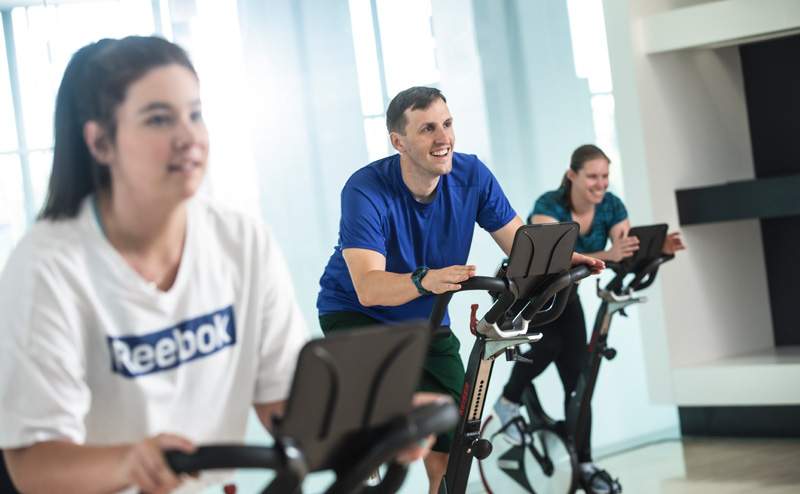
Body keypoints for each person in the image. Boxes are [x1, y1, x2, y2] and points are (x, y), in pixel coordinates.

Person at [0, 35, 308, 494]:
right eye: (159, 119)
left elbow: (284, 404)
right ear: (101, 142)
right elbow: (33, 465)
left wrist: (381, 419)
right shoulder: (47, 267)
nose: (188, 137)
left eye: (195, 114)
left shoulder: (243, 241)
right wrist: (130, 463)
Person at [316, 87, 605, 493]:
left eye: (447, 124)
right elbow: (366, 286)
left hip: (428, 319)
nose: (443, 138)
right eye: (428, 129)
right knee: (374, 444)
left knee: (453, 448)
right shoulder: (365, 190)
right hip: (358, 316)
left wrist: (559, 260)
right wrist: (425, 279)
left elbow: (520, 244)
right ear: (398, 142)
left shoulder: (472, 175)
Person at [493, 144, 686, 494]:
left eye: (605, 176)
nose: (601, 184)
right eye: (593, 176)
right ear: (572, 176)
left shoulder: (611, 206)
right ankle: (508, 401)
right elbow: (555, 259)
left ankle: (584, 462)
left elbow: (623, 255)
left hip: (567, 294)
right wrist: (607, 255)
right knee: (548, 343)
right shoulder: (548, 207)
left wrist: (657, 252)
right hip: (529, 293)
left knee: (579, 380)